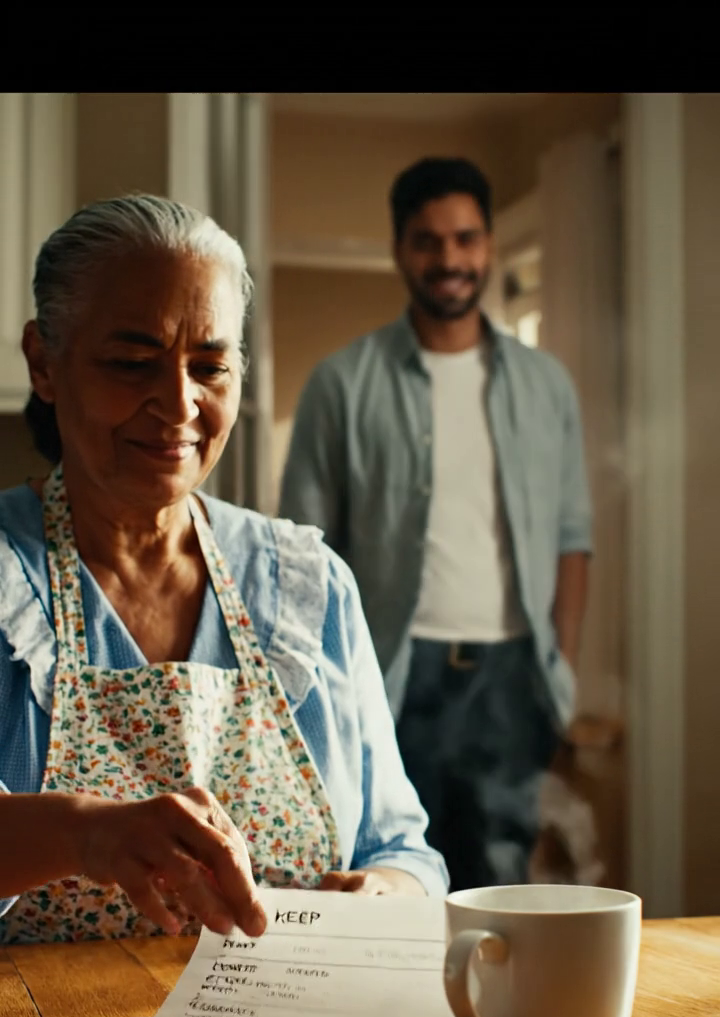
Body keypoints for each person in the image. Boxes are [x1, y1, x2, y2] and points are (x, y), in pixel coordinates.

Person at [0, 194, 448, 946]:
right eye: (132, 363)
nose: (179, 404)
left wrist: (385, 895)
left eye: (210, 365)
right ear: (45, 362)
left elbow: (404, 848)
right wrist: (83, 834)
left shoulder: (312, 589)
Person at [279, 157, 592, 891]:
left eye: (465, 239)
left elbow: (573, 535)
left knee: (502, 882)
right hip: (389, 672)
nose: (449, 259)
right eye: (428, 241)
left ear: (487, 246)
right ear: (399, 249)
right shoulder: (341, 383)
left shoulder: (546, 386)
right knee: (391, 881)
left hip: (514, 676)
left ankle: (490, 1013)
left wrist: (561, 673)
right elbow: (303, 556)